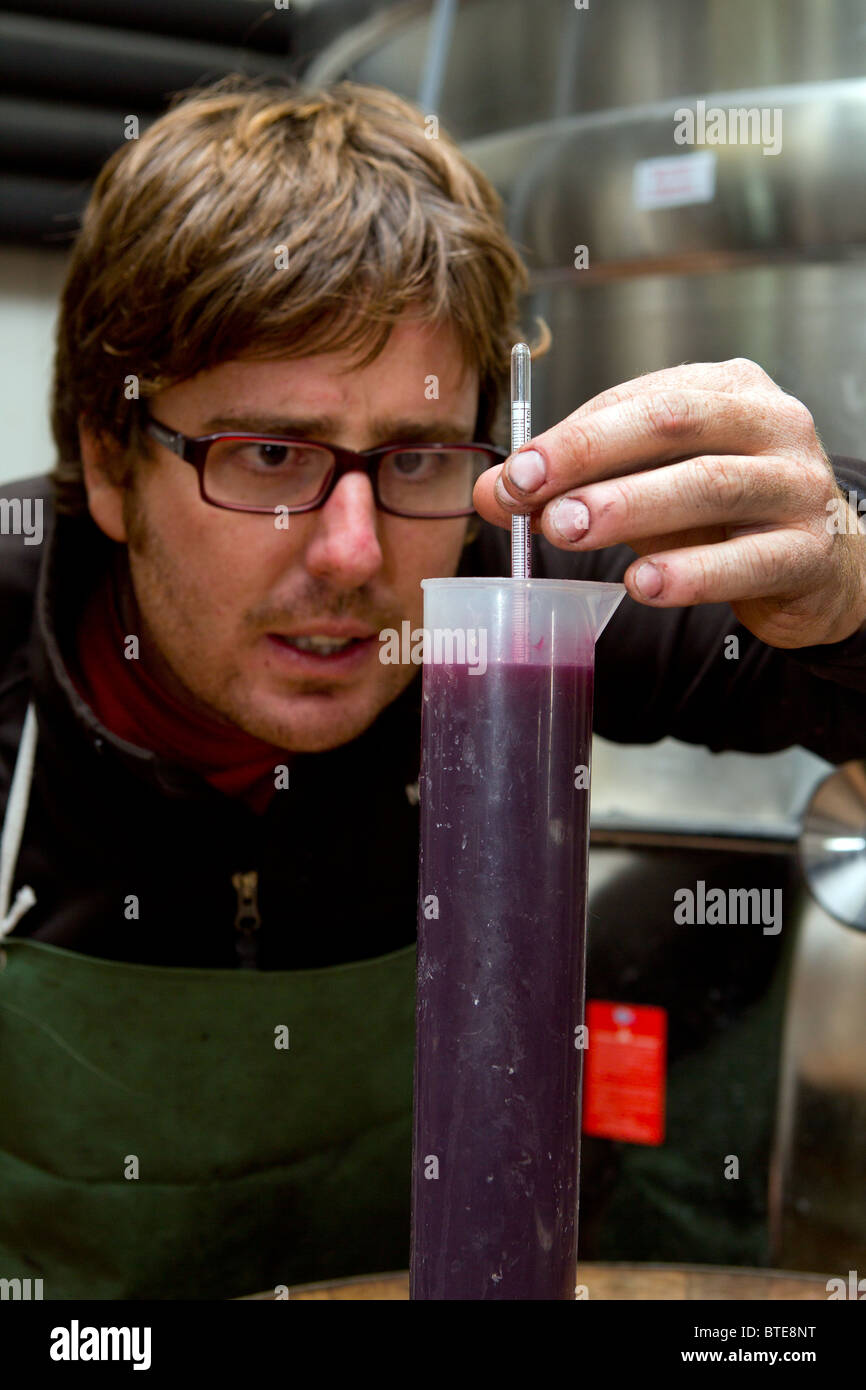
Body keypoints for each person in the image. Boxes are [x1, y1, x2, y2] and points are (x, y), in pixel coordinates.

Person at [1, 73, 864, 1302]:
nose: (355, 554)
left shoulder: (505, 595)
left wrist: (846, 565)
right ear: (105, 457)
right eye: (266, 454)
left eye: (411, 454)